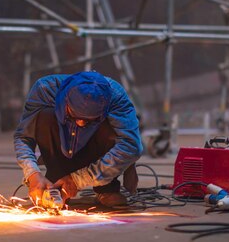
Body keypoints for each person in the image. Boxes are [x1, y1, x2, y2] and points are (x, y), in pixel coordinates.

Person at [14, 71, 142, 207]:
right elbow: (24, 136)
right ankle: (55, 185)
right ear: (64, 100)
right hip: (60, 150)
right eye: (74, 116)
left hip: (96, 149)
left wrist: (78, 180)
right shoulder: (45, 90)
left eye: (89, 121)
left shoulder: (115, 96)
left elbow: (131, 146)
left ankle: (107, 189)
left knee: (113, 128)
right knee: (44, 116)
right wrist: (32, 173)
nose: (81, 123)